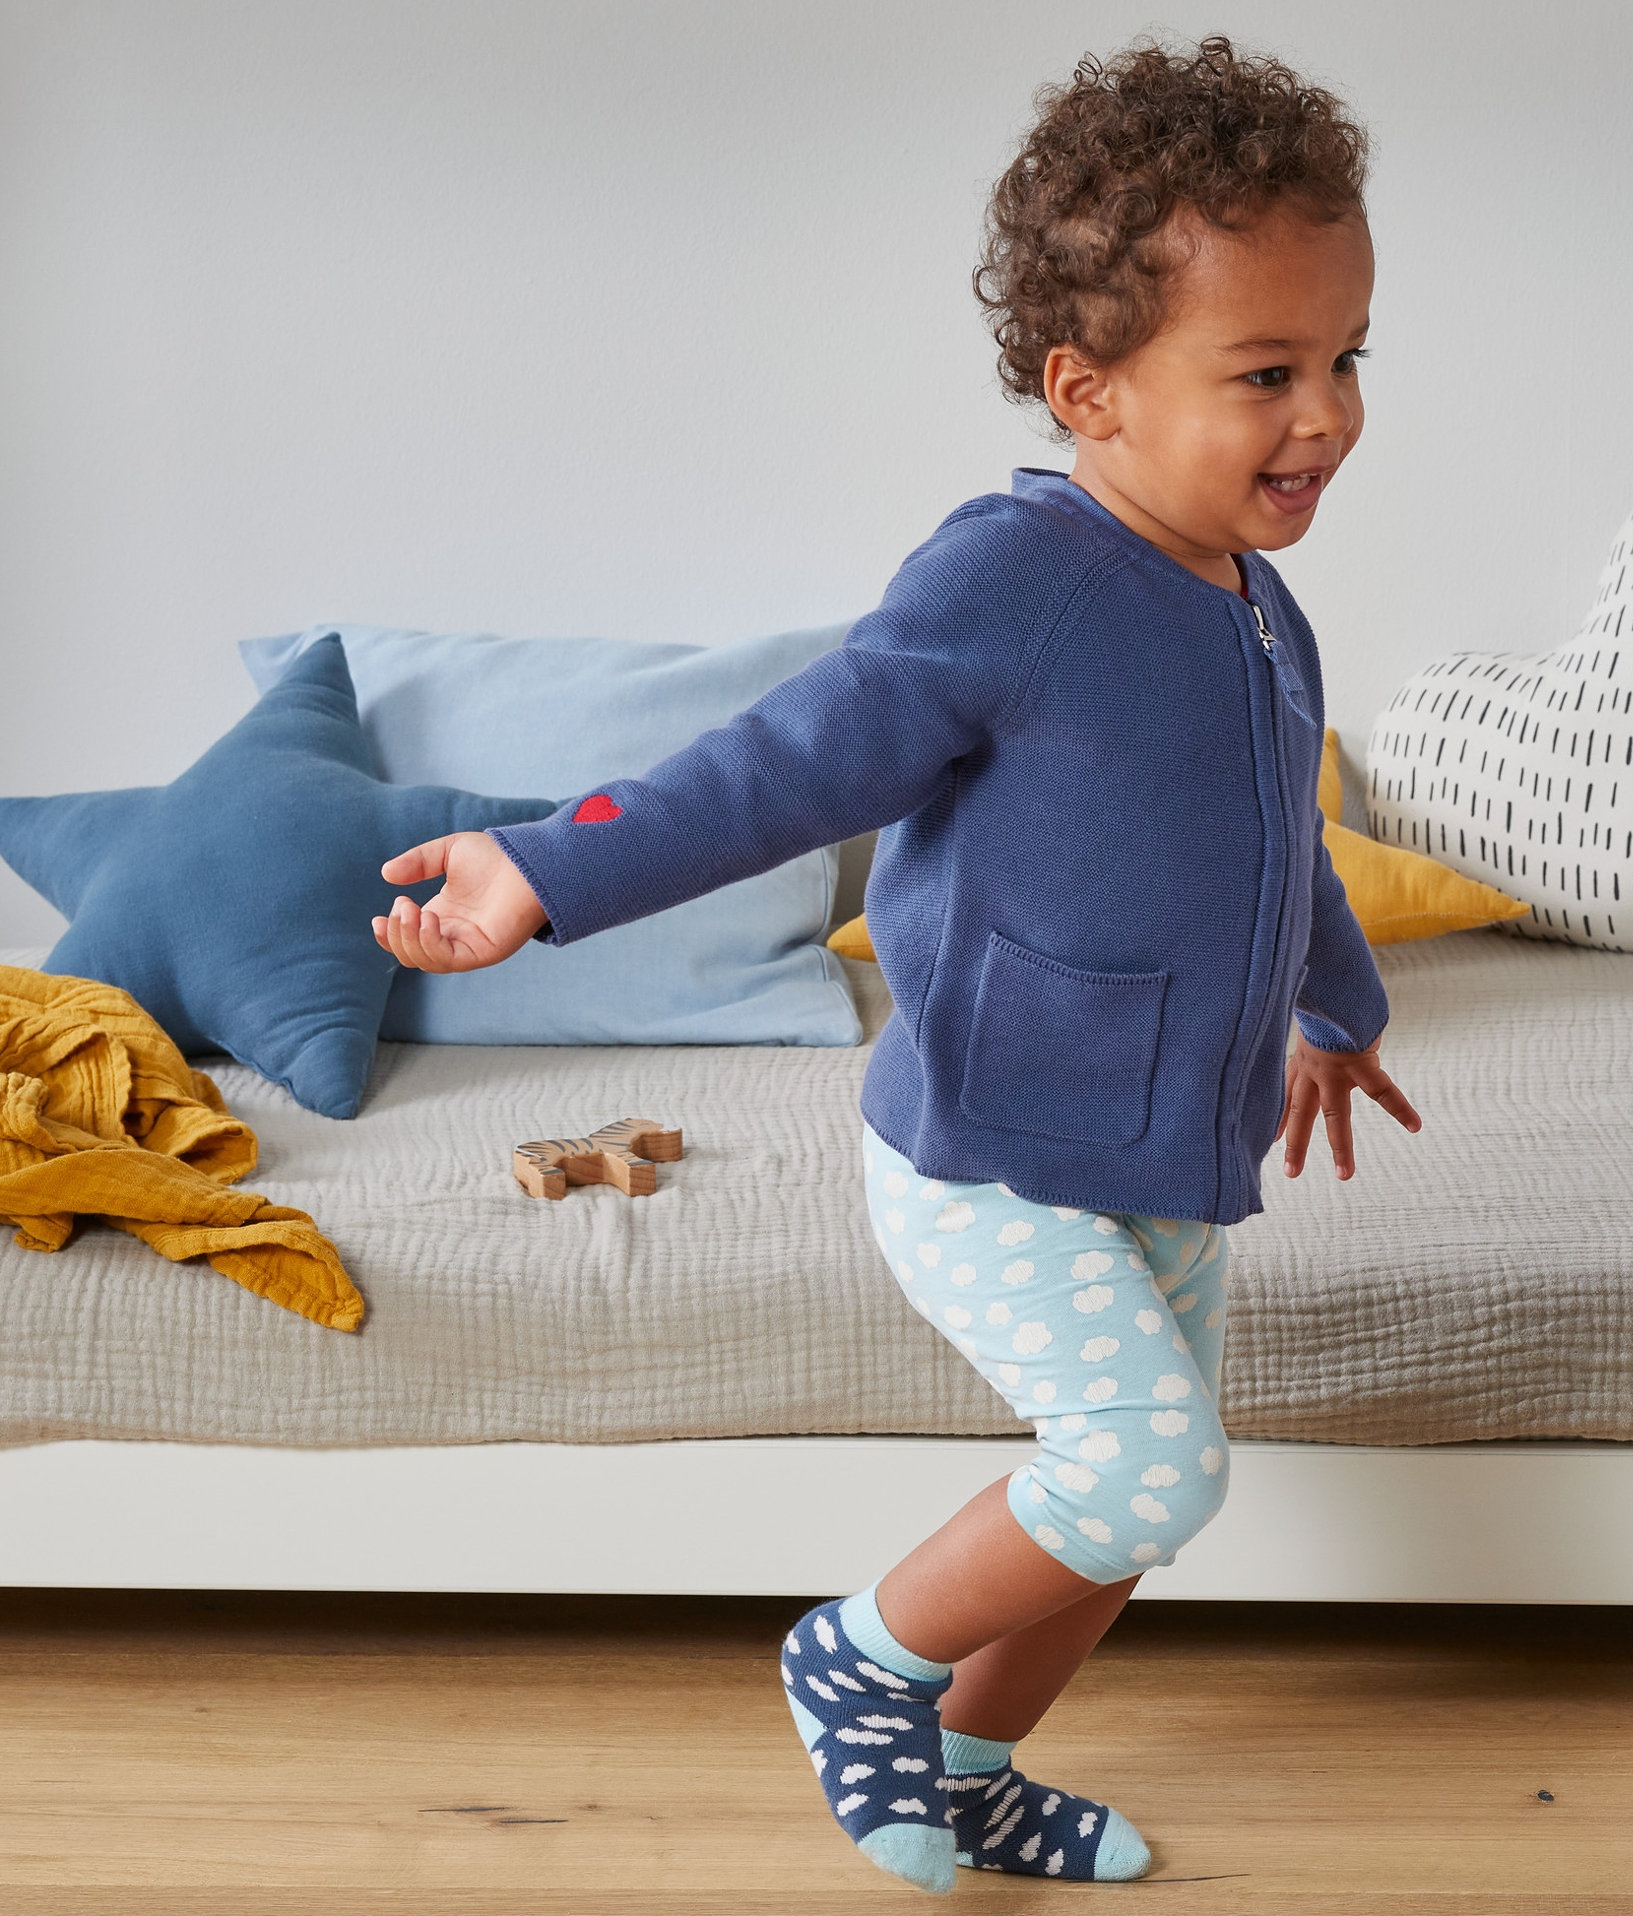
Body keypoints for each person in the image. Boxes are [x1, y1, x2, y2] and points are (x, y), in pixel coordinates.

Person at [371, 35, 1420, 1895]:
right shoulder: (1016, 585)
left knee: (1117, 1524)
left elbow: (1278, 851)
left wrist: (1336, 1007)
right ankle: (855, 1655)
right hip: (993, 1142)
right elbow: (778, 766)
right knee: (1149, 1471)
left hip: (1164, 1153)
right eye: (1265, 372)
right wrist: (542, 868)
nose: (1324, 412)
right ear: (1085, 391)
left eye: (1345, 358)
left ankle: (974, 1769)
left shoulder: (1261, 610)